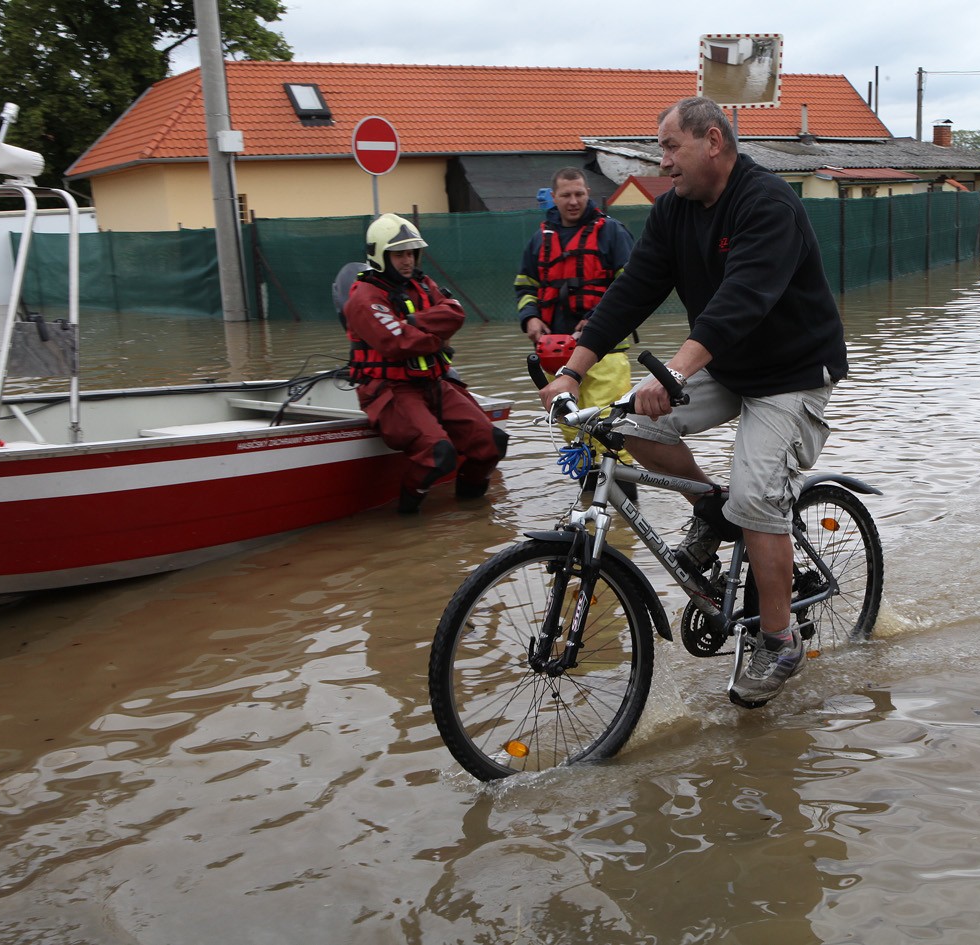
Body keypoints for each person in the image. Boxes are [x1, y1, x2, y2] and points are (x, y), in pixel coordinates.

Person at [538, 96, 849, 707]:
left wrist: (675, 372)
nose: (664, 161)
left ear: (712, 141)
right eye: (661, 150)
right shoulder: (674, 211)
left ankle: (780, 638)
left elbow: (742, 300)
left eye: (670, 147)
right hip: (729, 364)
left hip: (790, 372)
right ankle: (713, 511)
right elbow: (632, 291)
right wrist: (571, 372)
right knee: (620, 427)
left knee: (757, 492)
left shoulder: (767, 204)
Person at [344, 213, 506, 513]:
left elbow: (456, 313)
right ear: (381, 255)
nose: (408, 261)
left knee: (492, 443)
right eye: (399, 254)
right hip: (392, 390)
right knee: (437, 453)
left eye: (411, 254)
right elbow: (397, 343)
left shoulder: (421, 283)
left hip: (433, 383)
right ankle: (407, 516)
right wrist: (437, 338)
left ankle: (474, 518)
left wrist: (413, 321)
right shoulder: (364, 297)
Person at [514, 167, 638, 498]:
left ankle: (627, 523)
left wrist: (596, 319)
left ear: (588, 194)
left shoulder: (611, 232)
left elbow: (630, 287)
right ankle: (590, 519)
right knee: (574, 437)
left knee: (610, 434)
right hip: (555, 355)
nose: (573, 201)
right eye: (566, 195)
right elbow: (525, 285)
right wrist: (530, 318)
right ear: (553, 197)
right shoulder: (540, 239)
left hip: (605, 353)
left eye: (580, 194)